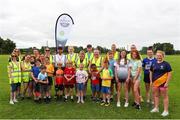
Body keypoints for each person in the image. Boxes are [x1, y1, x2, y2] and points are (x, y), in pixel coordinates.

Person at [150, 50, 172, 117]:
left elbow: (169, 74)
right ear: (156, 56)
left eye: (160, 56)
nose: (159, 57)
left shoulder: (166, 64)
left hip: (163, 83)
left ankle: (166, 111)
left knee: (164, 97)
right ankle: (156, 108)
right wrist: (151, 81)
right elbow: (150, 72)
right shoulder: (153, 63)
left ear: (163, 56)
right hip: (155, 83)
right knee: (156, 96)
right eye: (157, 56)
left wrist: (167, 82)